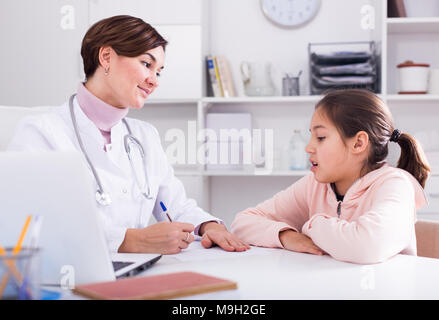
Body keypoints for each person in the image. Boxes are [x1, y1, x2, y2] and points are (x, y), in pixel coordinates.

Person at [8, 15, 250, 254]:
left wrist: (208, 226)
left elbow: (175, 205)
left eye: (159, 72)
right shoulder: (41, 133)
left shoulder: (145, 136)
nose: (154, 81)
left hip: (138, 274)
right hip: (67, 278)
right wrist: (127, 240)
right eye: (147, 64)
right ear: (106, 57)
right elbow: (27, 219)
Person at [231, 89, 430, 264]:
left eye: (320, 137)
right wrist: (286, 235)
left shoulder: (395, 185)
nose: (308, 147)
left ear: (358, 143)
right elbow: (242, 223)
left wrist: (310, 225)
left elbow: (366, 246)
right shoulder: (315, 185)